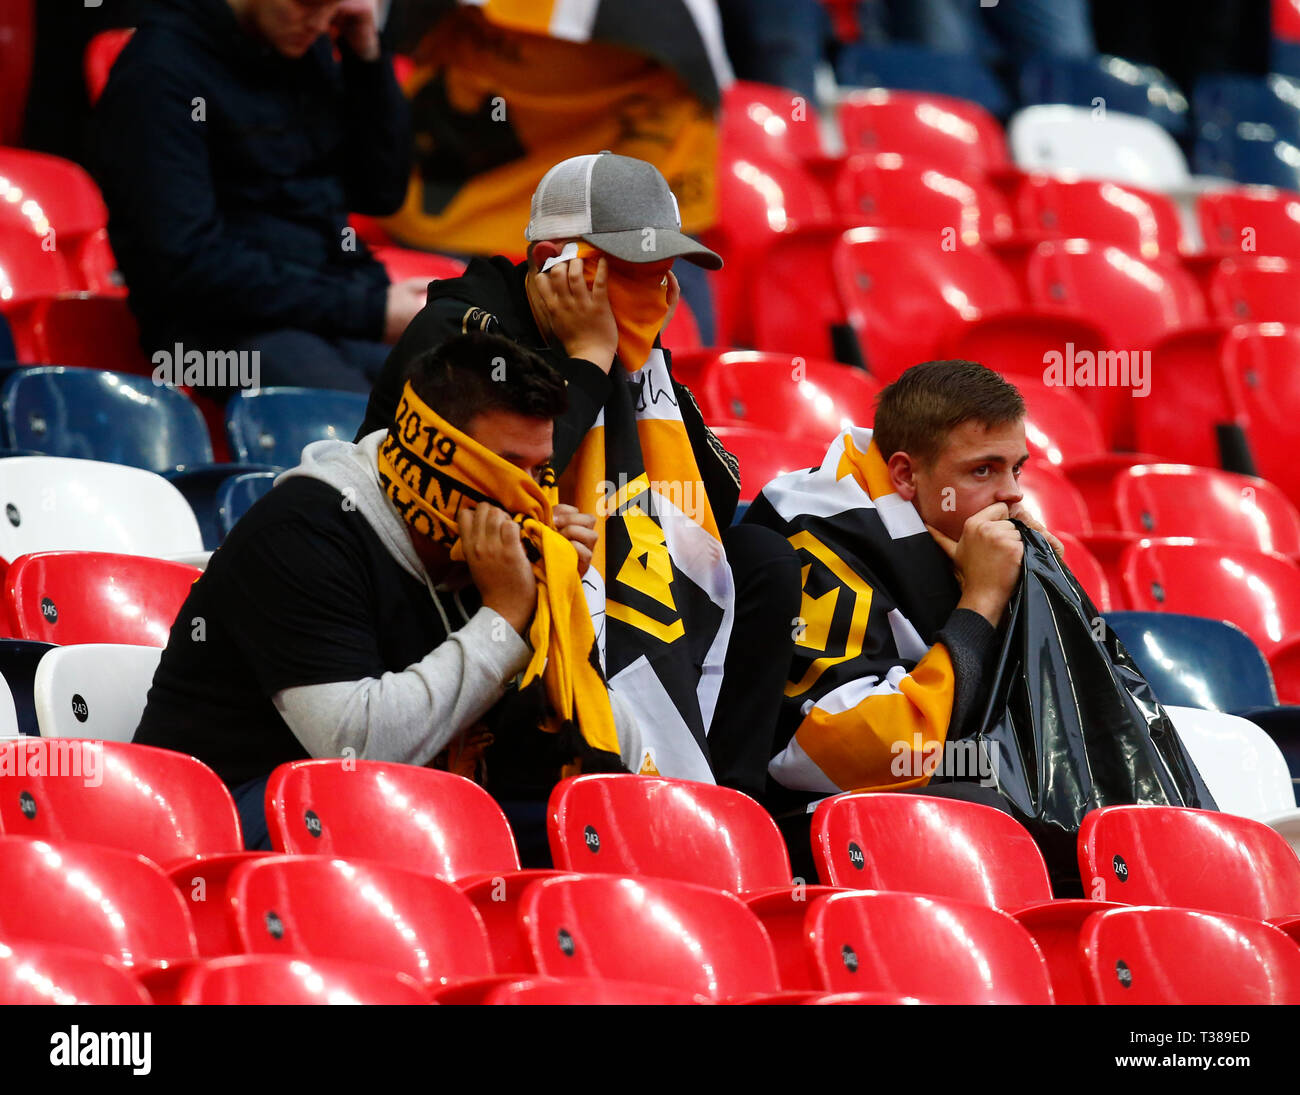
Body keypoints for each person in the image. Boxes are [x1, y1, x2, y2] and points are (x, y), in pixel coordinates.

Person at [358, 151, 801, 798]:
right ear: (551, 261)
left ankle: (723, 803)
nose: (651, 294)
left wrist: (641, 368)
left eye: (661, 274)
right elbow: (499, 495)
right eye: (627, 272)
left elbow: (704, 502)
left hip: (605, 558)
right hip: (472, 572)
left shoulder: (625, 331)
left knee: (762, 559)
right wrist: (588, 359)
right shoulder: (458, 333)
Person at [134, 332, 642, 863]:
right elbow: (358, 748)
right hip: (218, 810)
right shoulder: (302, 532)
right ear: (437, 459)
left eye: (541, 473)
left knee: (611, 829)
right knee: (388, 821)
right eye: (508, 469)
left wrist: (554, 607)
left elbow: (613, 752)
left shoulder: (505, 555)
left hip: (404, 807)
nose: (531, 498)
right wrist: (505, 619)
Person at [742, 361, 1065, 865]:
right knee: (1004, 812)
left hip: (923, 794)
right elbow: (842, 752)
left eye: (1015, 468)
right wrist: (980, 602)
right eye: (983, 470)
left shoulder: (957, 528)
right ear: (905, 474)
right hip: (810, 823)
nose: (1013, 495)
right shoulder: (820, 533)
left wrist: (1035, 596)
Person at [93, 0, 428, 394]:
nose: (320, 23)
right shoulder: (158, 72)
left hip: (325, 311)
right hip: (208, 340)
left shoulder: (303, 46)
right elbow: (188, 267)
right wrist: (370, 311)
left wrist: (366, 58)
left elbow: (380, 193)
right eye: (307, 5)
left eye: (332, 7)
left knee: (471, 399)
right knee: (360, 431)